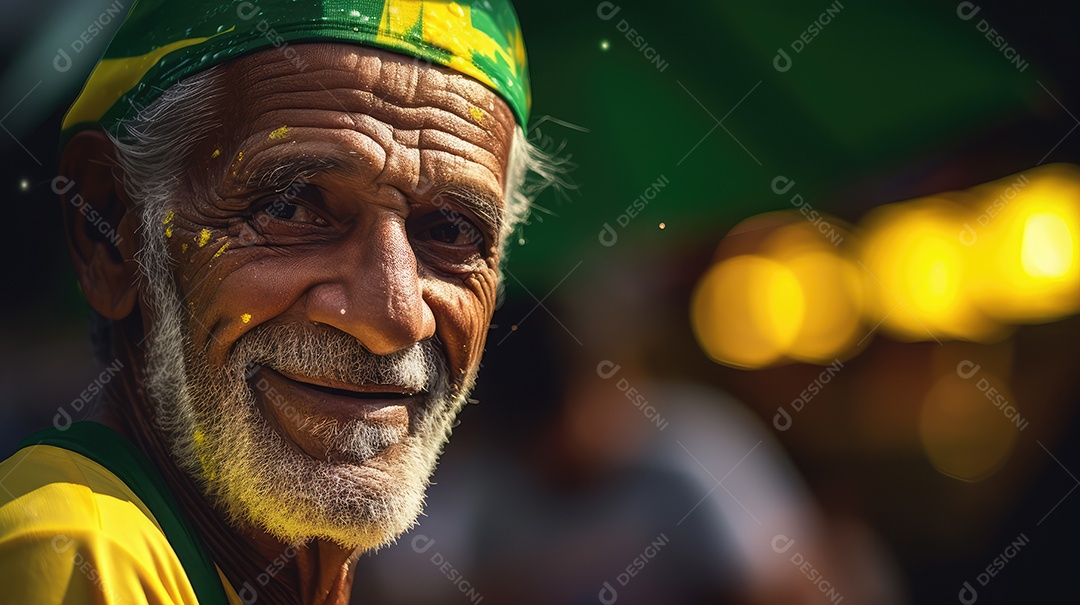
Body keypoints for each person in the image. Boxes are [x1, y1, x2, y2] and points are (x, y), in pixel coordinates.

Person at [0, 1, 553, 603]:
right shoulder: (80, 551)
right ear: (110, 231)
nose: (393, 317)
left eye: (451, 230)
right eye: (289, 207)